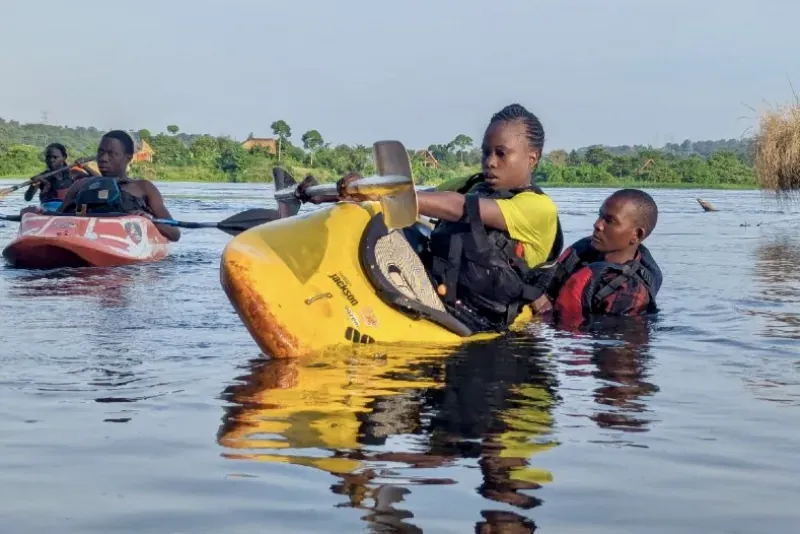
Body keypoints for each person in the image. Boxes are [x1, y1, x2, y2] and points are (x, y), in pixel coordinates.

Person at [299, 103, 563, 332]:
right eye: (486, 152)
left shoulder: (539, 208)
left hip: (482, 323)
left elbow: (459, 207)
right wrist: (341, 192)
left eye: (501, 153)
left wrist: (384, 193)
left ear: (532, 158)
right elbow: (420, 197)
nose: (490, 162)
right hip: (439, 297)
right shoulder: (473, 184)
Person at [531, 189, 662, 325]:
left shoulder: (628, 292)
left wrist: (544, 316)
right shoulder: (585, 255)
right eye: (600, 215)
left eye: (609, 221)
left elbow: (610, 340)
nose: (597, 224)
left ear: (637, 235)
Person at [58, 130, 181, 242]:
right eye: (100, 152)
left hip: (125, 248)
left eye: (112, 154)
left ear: (128, 157)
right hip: (84, 240)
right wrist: (40, 213)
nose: (103, 158)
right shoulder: (81, 186)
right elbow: (56, 216)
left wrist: (147, 220)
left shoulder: (143, 188)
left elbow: (175, 233)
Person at [23, 143, 95, 212]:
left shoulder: (74, 173)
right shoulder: (41, 178)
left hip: (70, 209)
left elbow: (99, 179)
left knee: (83, 205)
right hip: (49, 209)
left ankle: (82, 219)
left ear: (64, 158)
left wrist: (85, 166)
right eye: (49, 157)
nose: (51, 160)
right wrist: (33, 185)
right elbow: (28, 198)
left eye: (55, 157)